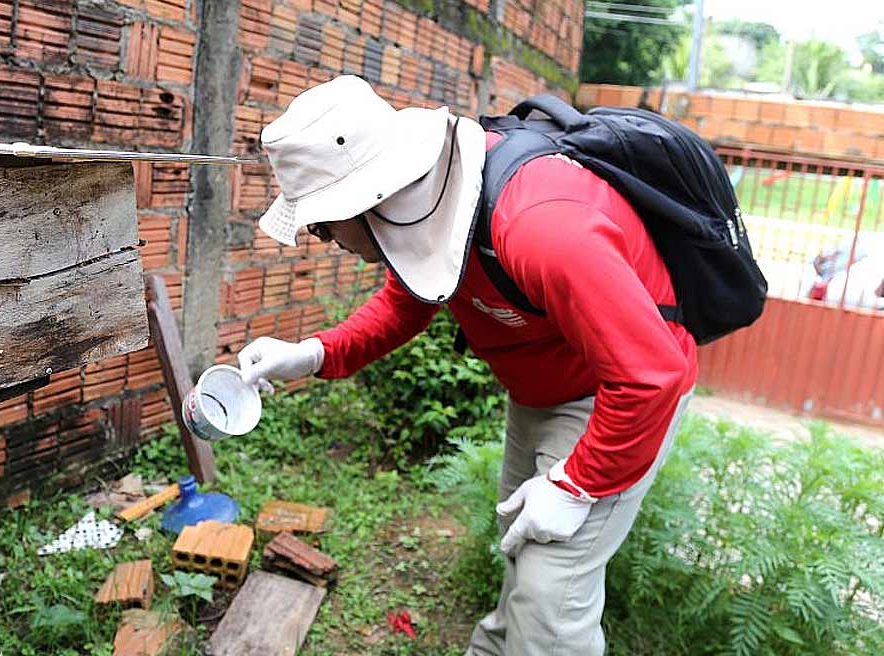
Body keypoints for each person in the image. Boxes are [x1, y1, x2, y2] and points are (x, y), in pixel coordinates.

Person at [236, 75, 697, 656]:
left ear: (364, 198)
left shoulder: (543, 225)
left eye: (322, 226)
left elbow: (649, 373)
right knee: (520, 548)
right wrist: (313, 353)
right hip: (539, 390)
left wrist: (579, 483)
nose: (324, 240)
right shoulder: (429, 207)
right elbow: (406, 304)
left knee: (551, 596)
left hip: (616, 398)